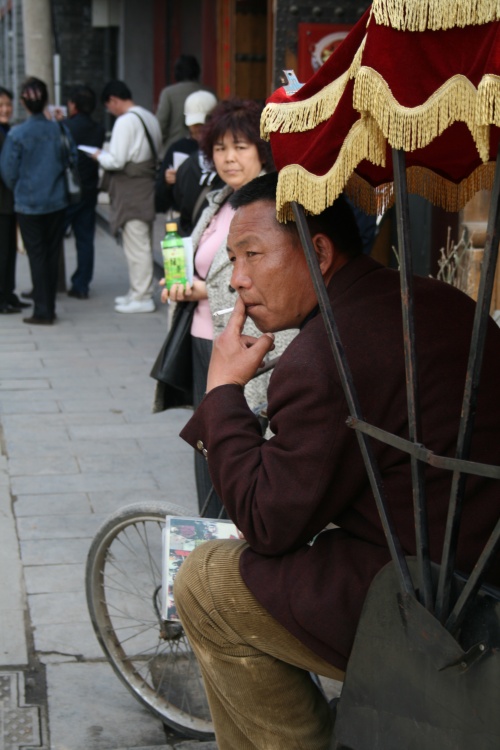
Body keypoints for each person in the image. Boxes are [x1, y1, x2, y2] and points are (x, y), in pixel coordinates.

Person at [173, 172, 500, 749]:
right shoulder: (433, 297)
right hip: (475, 556)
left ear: (319, 252)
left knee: (205, 580)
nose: (239, 280)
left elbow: (268, 522)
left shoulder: (326, 359)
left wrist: (221, 394)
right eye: (231, 259)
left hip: (436, 601)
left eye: (252, 255)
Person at [159, 100, 297, 515]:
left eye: (240, 146)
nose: (229, 158)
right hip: (204, 341)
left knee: (239, 445)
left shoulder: (274, 204)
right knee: (209, 443)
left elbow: (276, 276)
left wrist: (203, 290)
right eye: (220, 149)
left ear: (261, 150)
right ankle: (211, 536)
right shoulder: (218, 200)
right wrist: (182, 284)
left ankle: (235, 540)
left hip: (250, 346)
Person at [0, 77, 77, 325]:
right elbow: (72, 158)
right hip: (56, 200)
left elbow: (8, 172)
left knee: (36, 254)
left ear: (23, 102)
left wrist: (21, 188)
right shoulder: (59, 129)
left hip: (27, 203)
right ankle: (49, 306)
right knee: (53, 252)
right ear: (45, 100)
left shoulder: (17, 133)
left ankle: (42, 309)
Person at [95, 80, 162, 313]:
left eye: (108, 106)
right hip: (144, 184)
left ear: (113, 100)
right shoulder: (148, 117)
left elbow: (116, 160)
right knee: (139, 240)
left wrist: (98, 156)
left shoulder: (125, 121)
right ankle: (136, 291)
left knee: (137, 244)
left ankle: (142, 296)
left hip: (132, 187)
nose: (110, 111)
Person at [59, 85, 105, 300]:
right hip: (89, 190)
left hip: (68, 191)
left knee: (53, 237)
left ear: (73, 105)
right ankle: (81, 285)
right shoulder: (97, 128)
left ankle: (50, 283)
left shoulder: (65, 126)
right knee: (85, 239)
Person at [155, 89, 222, 231]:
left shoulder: (223, 148)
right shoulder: (178, 148)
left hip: (218, 219)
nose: (198, 128)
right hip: (184, 222)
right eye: (194, 123)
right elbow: (159, 200)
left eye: (203, 123)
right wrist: (167, 182)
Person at [0, 86, 29, 313]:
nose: (6, 109)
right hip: (2, 202)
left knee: (9, 251)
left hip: (9, 202)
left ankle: (8, 293)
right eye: (1, 105)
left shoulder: (8, 130)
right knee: (2, 252)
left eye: (8, 104)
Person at [156, 55, 210, 153]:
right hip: (206, 148)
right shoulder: (210, 92)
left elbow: (160, 126)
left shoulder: (169, 93)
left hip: (175, 149)